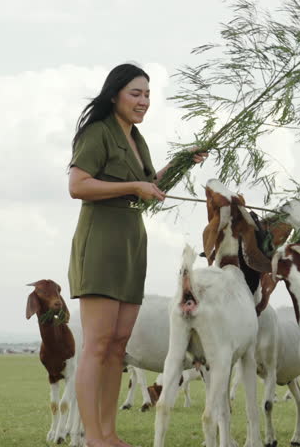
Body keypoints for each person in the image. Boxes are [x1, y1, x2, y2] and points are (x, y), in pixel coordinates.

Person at [67, 63, 206, 447]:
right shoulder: (98, 133)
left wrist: (182, 162)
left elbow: (149, 186)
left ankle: (109, 433)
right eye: (135, 93)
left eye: (147, 94)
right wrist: (133, 186)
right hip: (100, 241)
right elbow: (77, 185)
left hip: (132, 240)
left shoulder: (135, 138)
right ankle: (93, 437)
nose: (143, 101)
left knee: (118, 344)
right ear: (115, 95)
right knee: (97, 344)